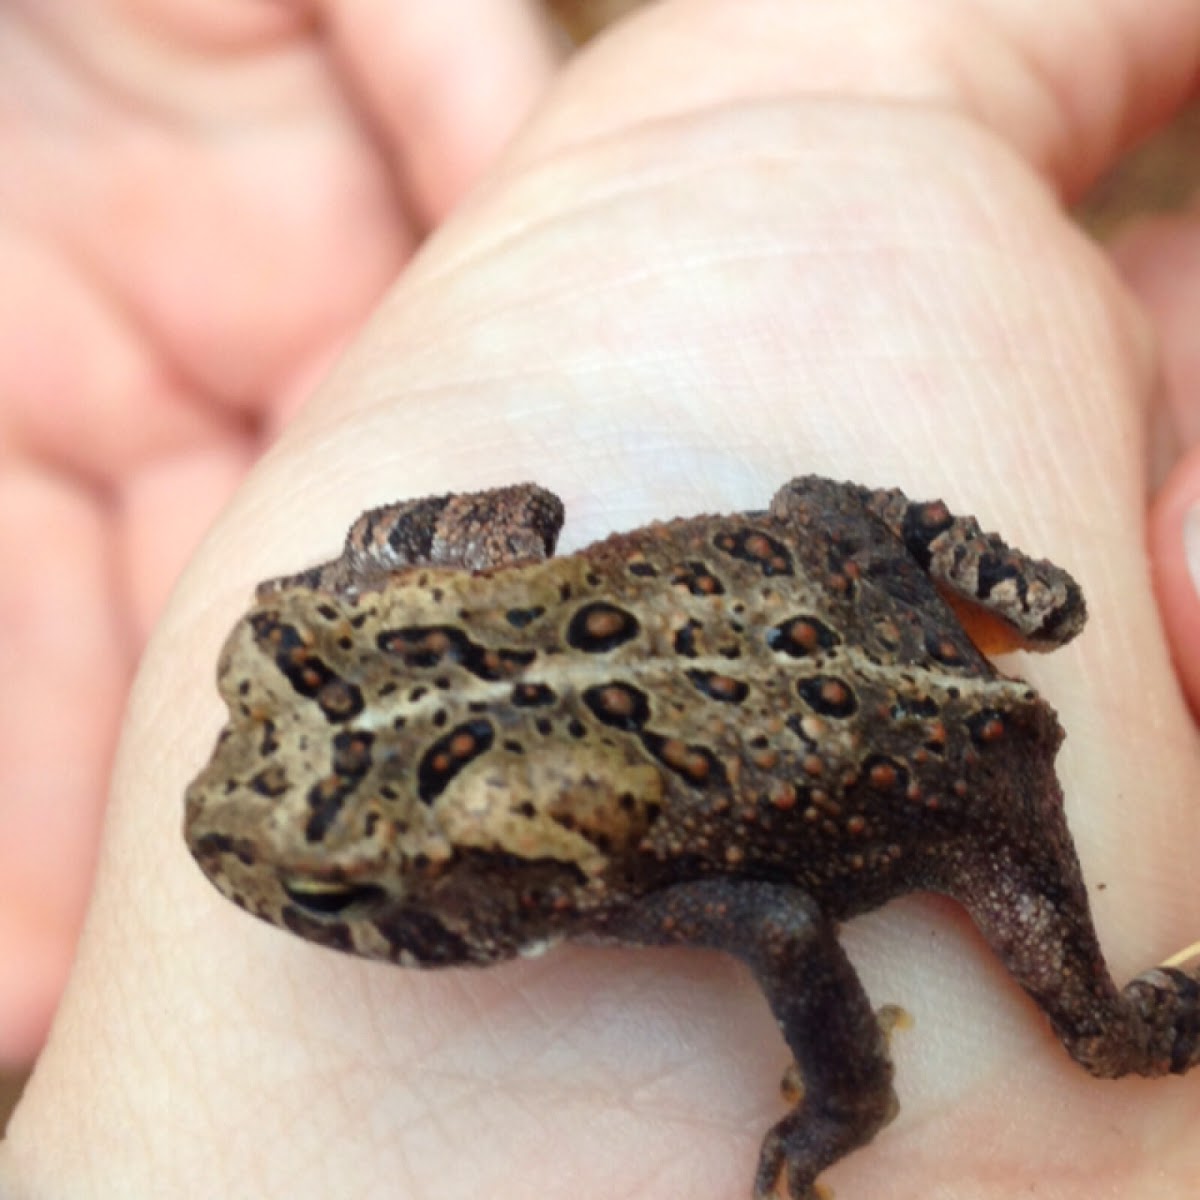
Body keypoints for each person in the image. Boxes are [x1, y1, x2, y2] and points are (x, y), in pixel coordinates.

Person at [2, 0, 1198, 1194]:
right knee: (817, 500)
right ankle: (1029, 607)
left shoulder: (596, 893)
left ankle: (1038, 633)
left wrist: (842, 1104)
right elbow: (524, 519)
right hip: (841, 567)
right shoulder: (536, 731)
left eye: (335, 888)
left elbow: (782, 925)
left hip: (972, 783)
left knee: (1102, 1035)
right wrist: (374, 546)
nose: (216, 801)